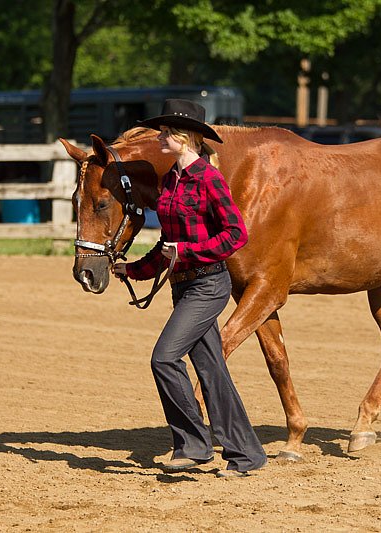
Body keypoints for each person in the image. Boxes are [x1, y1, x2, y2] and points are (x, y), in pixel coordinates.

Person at [112, 99, 267, 478]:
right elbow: (168, 242)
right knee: (213, 373)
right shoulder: (171, 180)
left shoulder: (209, 179)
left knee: (164, 358)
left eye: (166, 132)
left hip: (208, 284)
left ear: (186, 138)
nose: (160, 137)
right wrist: (133, 270)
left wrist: (189, 251)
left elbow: (236, 234)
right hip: (182, 286)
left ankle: (194, 444)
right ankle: (246, 454)